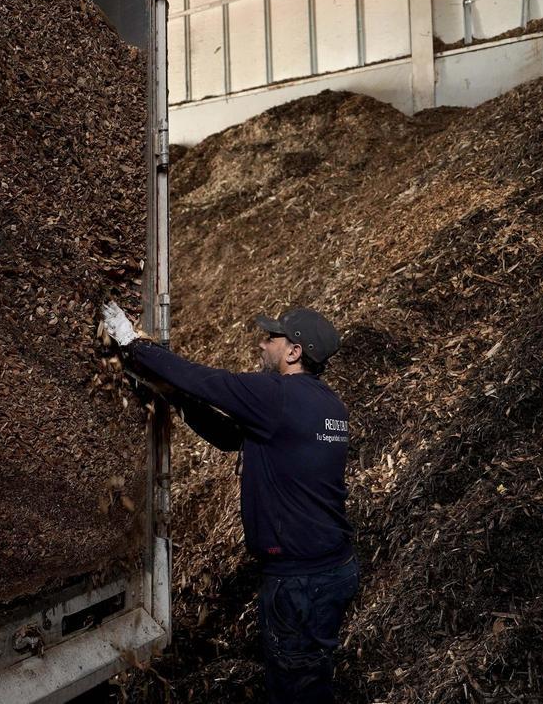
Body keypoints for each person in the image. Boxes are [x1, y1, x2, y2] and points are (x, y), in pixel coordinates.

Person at [102, 302, 358, 704]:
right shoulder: (329, 405)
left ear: (294, 352)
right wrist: (173, 397)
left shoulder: (278, 395)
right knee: (311, 674)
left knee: (296, 689)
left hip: (300, 582)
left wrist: (133, 344)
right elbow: (229, 437)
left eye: (271, 338)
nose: (262, 344)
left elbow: (206, 380)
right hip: (333, 569)